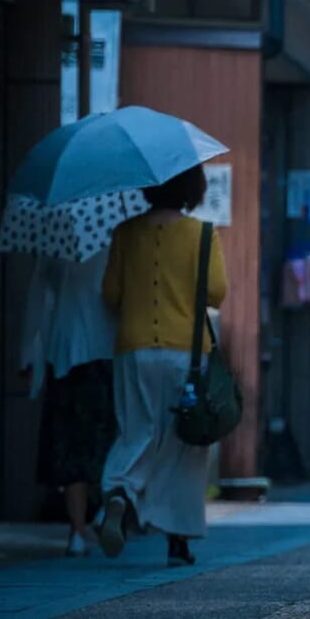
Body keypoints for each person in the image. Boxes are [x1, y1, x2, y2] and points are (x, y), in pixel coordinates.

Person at [97, 165, 226, 567]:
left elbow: (111, 293)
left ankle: (120, 492)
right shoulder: (202, 234)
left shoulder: (125, 232)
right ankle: (178, 539)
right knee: (183, 444)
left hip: (133, 347)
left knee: (135, 429)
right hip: (186, 353)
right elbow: (217, 294)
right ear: (193, 187)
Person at [23, 247, 117, 556]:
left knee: (69, 444)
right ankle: (107, 508)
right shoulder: (113, 242)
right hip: (104, 348)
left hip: (63, 351)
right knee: (106, 439)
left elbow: (37, 299)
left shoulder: (53, 243)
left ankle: (76, 532)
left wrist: (26, 352)